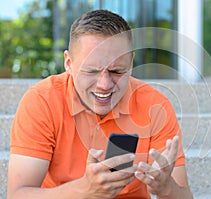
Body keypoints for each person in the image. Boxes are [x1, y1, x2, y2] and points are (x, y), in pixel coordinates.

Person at [7, 9, 193, 199]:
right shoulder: (42, 101)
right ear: (69, 63)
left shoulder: (155, 105)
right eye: (91, 71)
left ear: (131, 63)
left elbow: (183, 195)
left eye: (117, 71)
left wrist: (165, 188)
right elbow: (18, 195)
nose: (104, 85)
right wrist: (85, 190)